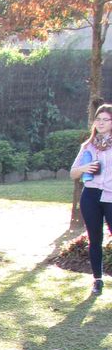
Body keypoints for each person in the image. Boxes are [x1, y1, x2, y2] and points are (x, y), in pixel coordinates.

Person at [69, 104, 112, 296]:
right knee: (95, 239)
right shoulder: (88, 146)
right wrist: (84, 168)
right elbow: (73, 173)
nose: (101, 123)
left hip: (110, 195)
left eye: (105, 119)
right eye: (98, 119)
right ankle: (97, 280)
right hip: (91, 196)